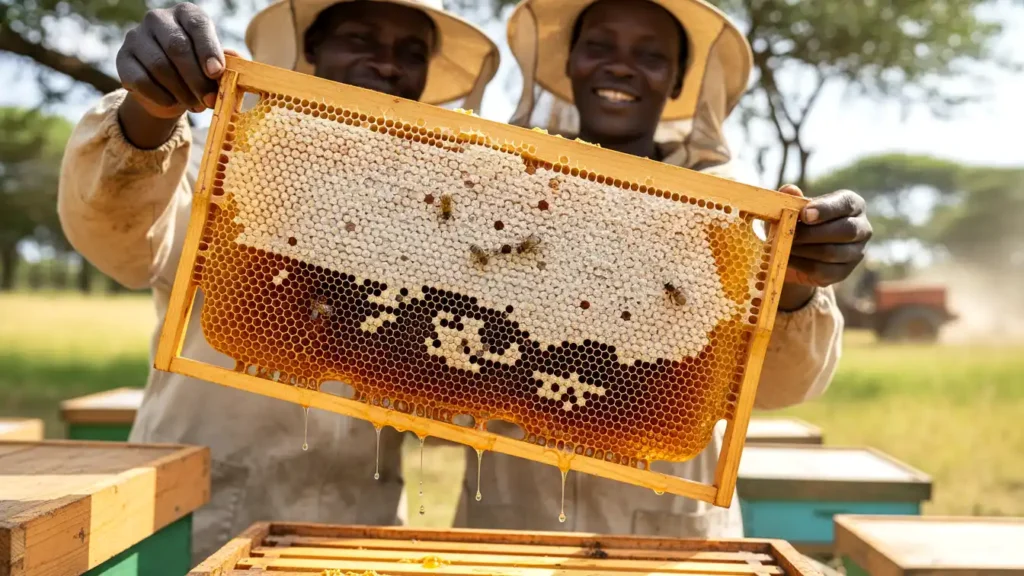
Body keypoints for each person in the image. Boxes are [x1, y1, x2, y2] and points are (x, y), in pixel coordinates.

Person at [57, 0, 498, 562]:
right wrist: (149, 114)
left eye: (411, 53)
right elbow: (119, 236)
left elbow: (461, 396)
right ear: (313, 49)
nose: (389, 65)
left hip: (356, 534)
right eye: (362, 38)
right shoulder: (231, 164)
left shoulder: (443, 216)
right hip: (202, 522)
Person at [450, 0, 871, 537]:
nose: (621, 66)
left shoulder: (728, 219)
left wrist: (793, 286)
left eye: (651, 55)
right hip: (511, 524)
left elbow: (782, 389)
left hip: (671, 537)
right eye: (599, 46)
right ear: (569, 64)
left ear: (677, 83)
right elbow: (437, 388)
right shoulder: (495, 196)